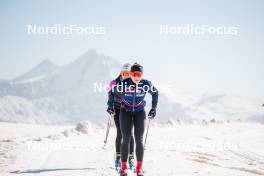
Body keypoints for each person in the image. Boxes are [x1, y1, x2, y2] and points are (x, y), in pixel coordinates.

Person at [108, 63, 159, 176]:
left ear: (142, 75)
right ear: (130, 74)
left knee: (139, 139)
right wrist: (110, 106)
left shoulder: (146, 84)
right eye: (134, 74)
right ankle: (123, 168)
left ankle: (139, 168)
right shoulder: (124, 84)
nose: (136, 77)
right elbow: (112, 93)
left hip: (139, 112)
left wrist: (153, 108)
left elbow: (155, 93)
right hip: (125, 111)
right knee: (125, 138)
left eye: (138, 74)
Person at [107, 63, 135, 172]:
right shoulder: (114, 83)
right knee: (120, 132)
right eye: (124, 73)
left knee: (130, 133)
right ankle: (118, 157)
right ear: (121, 73)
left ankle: (131, 157)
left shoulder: (133, 83)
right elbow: (110, 96)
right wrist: (110, 107)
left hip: (129, 109)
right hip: (118, 109)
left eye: (128, 74)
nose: (126, 76)